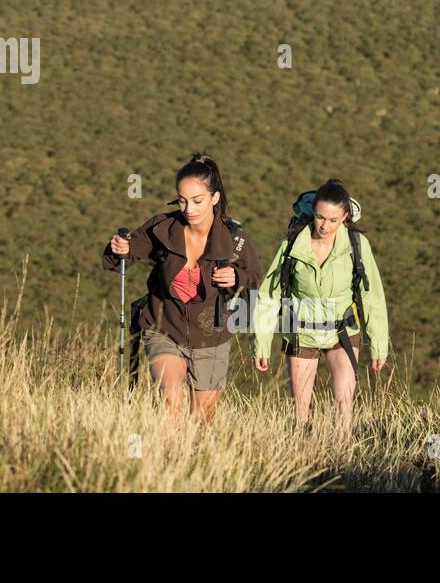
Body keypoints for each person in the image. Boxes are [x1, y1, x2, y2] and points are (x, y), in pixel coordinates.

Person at [102, 152, 262, 422]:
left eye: (197, 201)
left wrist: (237, 277)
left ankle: (191, 460)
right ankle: (167, 457)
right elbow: (124, 257)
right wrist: (120, 247)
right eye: (182, 200)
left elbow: (255, 277)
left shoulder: (236, 240)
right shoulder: (163, 227)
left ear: (215, 198)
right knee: (171, 397)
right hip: (163, 327)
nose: (189, 209)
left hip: (212, 336)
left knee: (203, 420)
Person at [252, 179, 389, 439]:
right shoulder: (291, 246)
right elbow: (269, 296)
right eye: (319, 217)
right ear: (312, 212)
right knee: (302, 412)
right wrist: (261, 343)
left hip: (343, 330)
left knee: (343, 405)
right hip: (301, 330)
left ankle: (343, 463)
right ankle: (307, 459)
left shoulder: (357, 245)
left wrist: (379, 344)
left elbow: (372, 296)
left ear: (345, 216)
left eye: (333, 220)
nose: (325, 226)